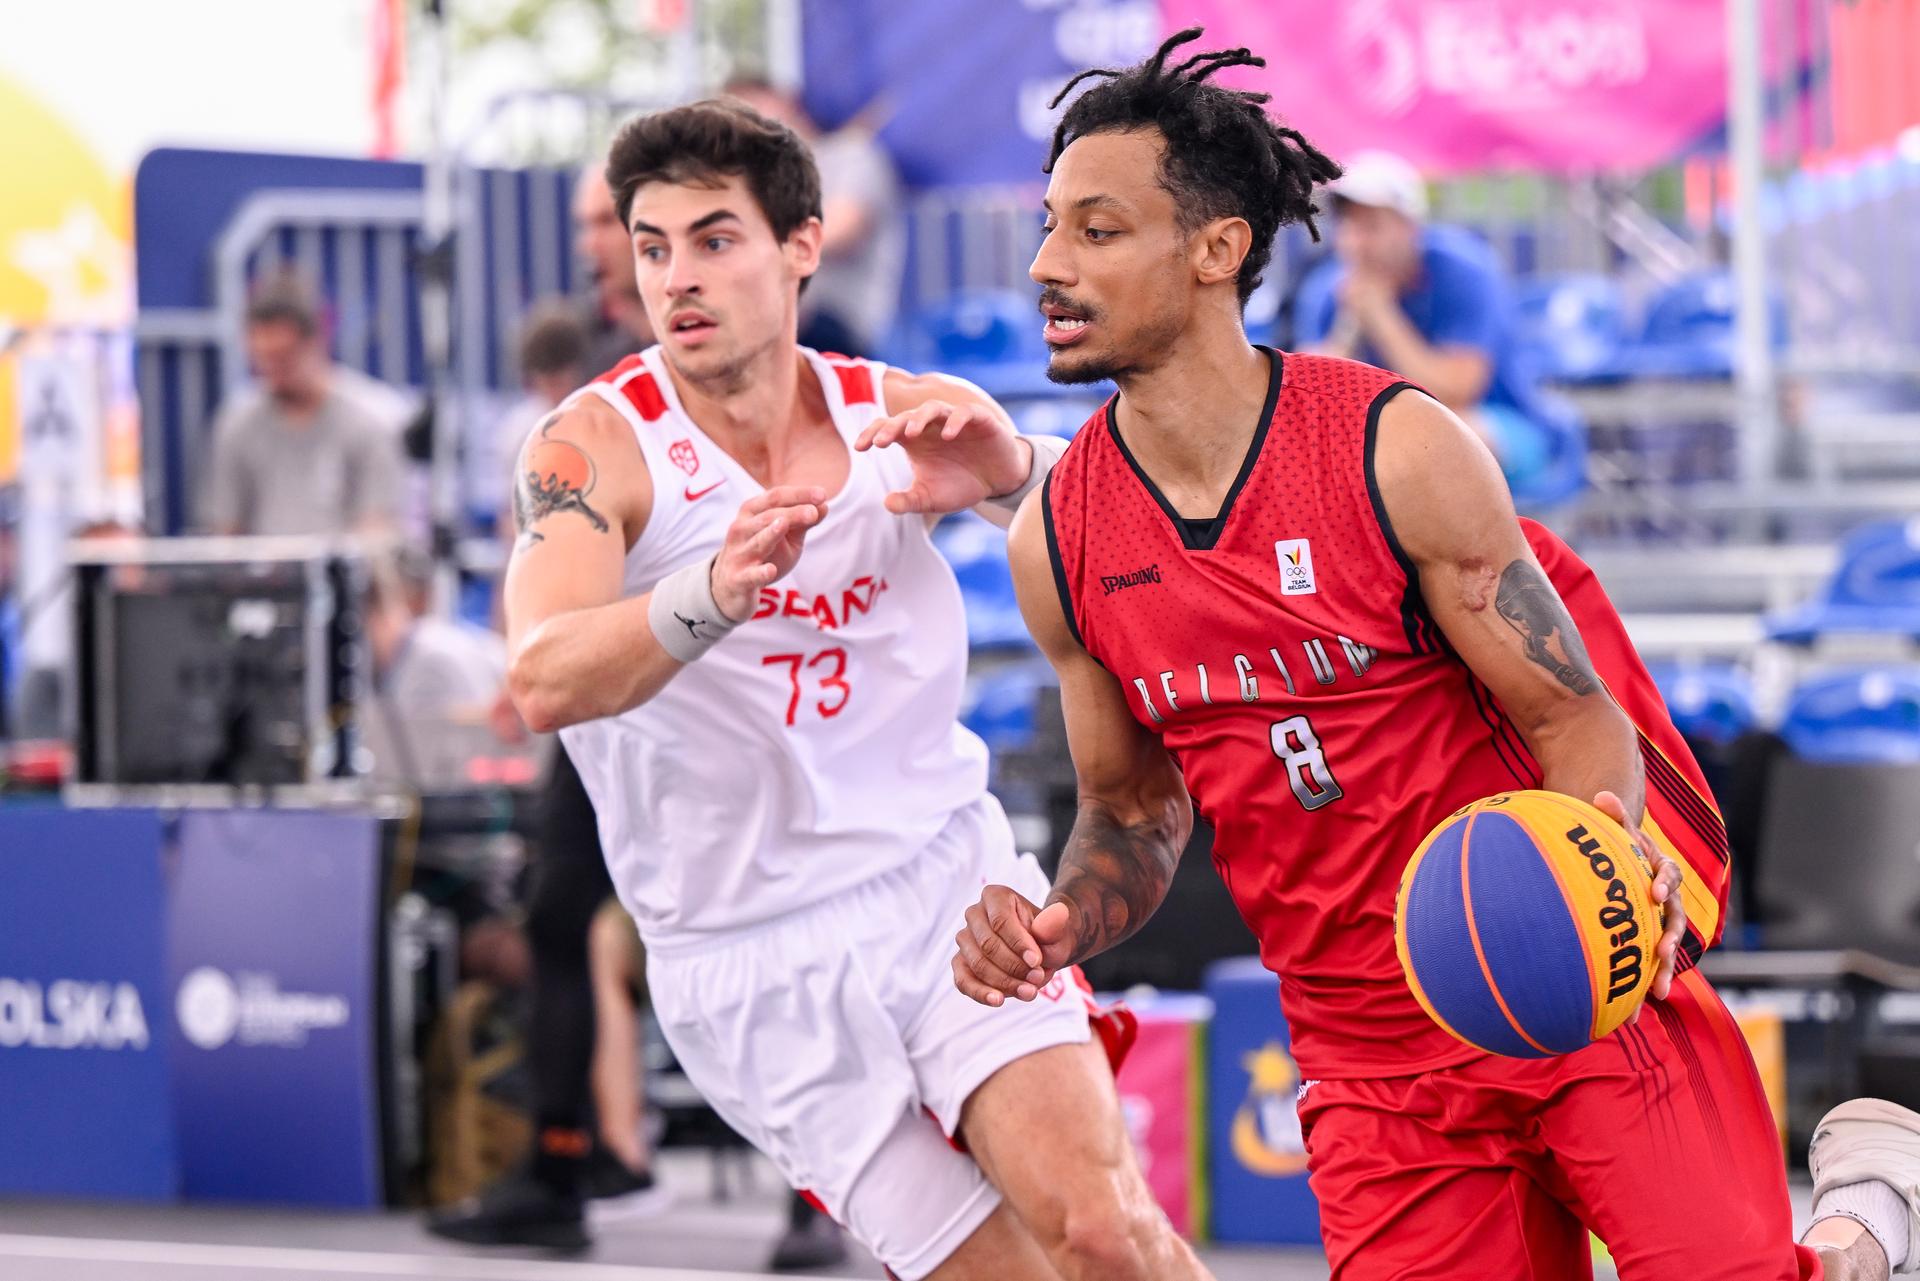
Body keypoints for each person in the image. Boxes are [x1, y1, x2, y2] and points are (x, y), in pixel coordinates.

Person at [945, 29, 1920, 1281]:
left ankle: (1861, 1226)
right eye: (1047, 227)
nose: (1045, 265)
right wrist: (1059, 920)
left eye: (1095, 230)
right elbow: (1131, 809)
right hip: (1368, 1055)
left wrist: (1607, 861)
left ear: (1215, 249)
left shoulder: (1393, 449)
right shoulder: (1060, 542)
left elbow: (1577, 720)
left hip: (1559, 966)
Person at [495, 96, 1210, 1281]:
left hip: (940, 885)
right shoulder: (593, 448)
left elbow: (1139, 538)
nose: (679, 275)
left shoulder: (893, 409)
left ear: (801, 247)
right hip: (745, 953)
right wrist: (711, 593)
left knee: (1103, 1233)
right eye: (654, 245)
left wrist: (1013, 470)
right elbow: (541, 677)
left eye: (716, 240)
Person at [430, 172, 665, 1253]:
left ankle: (819, 1203)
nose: (588, 242)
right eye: (584, 224)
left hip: (711, 684)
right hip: (600, 696)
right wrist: (539, 658)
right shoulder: (593, 382)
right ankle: (558, 1167)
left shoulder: (730, 350)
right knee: (553, 919)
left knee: (768, 927)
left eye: (597, 222)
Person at [1292, 150, 1562, 495]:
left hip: (1501, 421)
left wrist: (1380, 316)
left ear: (1409, 227)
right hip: (1387, 440)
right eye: (1350, 227)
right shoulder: (1328, 291)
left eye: (1372, 226)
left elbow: (1455, 392)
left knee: (1445, 439)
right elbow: (1312, 407)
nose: (1358, 242)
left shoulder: (1463, 271)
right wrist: (1348, 330)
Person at [200, 273, 408, 537]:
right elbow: (225, 529)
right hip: (261, 576)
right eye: (262, 359)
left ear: (317, 341)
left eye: (283, 357)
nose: (272, 371)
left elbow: (378, 526)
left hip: (346, 575)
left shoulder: (372, 420)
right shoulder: (236, 423)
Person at [724, 79, 904, 357]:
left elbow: (843, 232)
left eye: (754, 105)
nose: (752, 121)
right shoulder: (757, 180)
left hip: (840, 321)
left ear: (786, 101)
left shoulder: (852, 156)